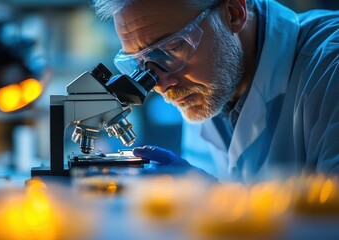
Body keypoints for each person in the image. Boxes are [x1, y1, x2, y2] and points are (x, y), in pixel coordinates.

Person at [91, 0, 339, 182]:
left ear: (233, 12)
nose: (161, 86)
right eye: (140, 65)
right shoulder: (204, 87)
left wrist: (211, 197)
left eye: (172, 49)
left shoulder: (330, 70)